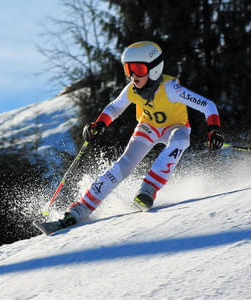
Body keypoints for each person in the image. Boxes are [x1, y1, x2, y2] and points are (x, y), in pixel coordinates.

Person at [59, 41, 224, 227]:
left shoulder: (171, 88)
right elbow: (114, 108)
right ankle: (82, 207)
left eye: (138, 69)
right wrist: (99, 124)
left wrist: (214, 129)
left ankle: (148, 189)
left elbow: (207, 105)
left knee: (181, 140)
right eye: (128, 69)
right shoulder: (132, 90)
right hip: (148, 127)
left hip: (175, 127)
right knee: (125, 164)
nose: (132, 76)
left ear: (154, 69)